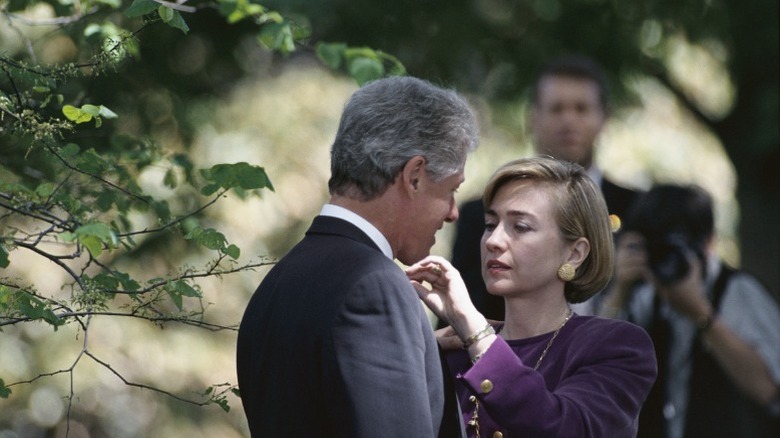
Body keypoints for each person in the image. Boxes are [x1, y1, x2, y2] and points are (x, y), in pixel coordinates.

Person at [236, 76, 480, 437]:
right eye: (451, 190)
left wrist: (422, 350)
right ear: (413, 176)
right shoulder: (374, 288)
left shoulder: (277, 283)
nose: (453, 213)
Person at [407, 156, 657, 437]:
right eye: (490, 224)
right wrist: (420, 349)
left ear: (574, 254)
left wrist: (474, 330)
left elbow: (563, 428)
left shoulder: (616, 346)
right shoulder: (454, 352)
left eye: (521, 227)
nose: (493, 240)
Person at [451, 55, 640, 322]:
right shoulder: (477, 216)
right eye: (556, 109)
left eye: (581, 109)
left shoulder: (637, 210)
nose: (568, 121)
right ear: (533, 118)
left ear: (603, 119)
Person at [598, 183, 780, 438]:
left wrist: (700, 313)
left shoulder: (736, 291)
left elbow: (768, 390)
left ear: (708, 243)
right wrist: (619, 289)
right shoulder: (644, 294)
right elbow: (594, 370)